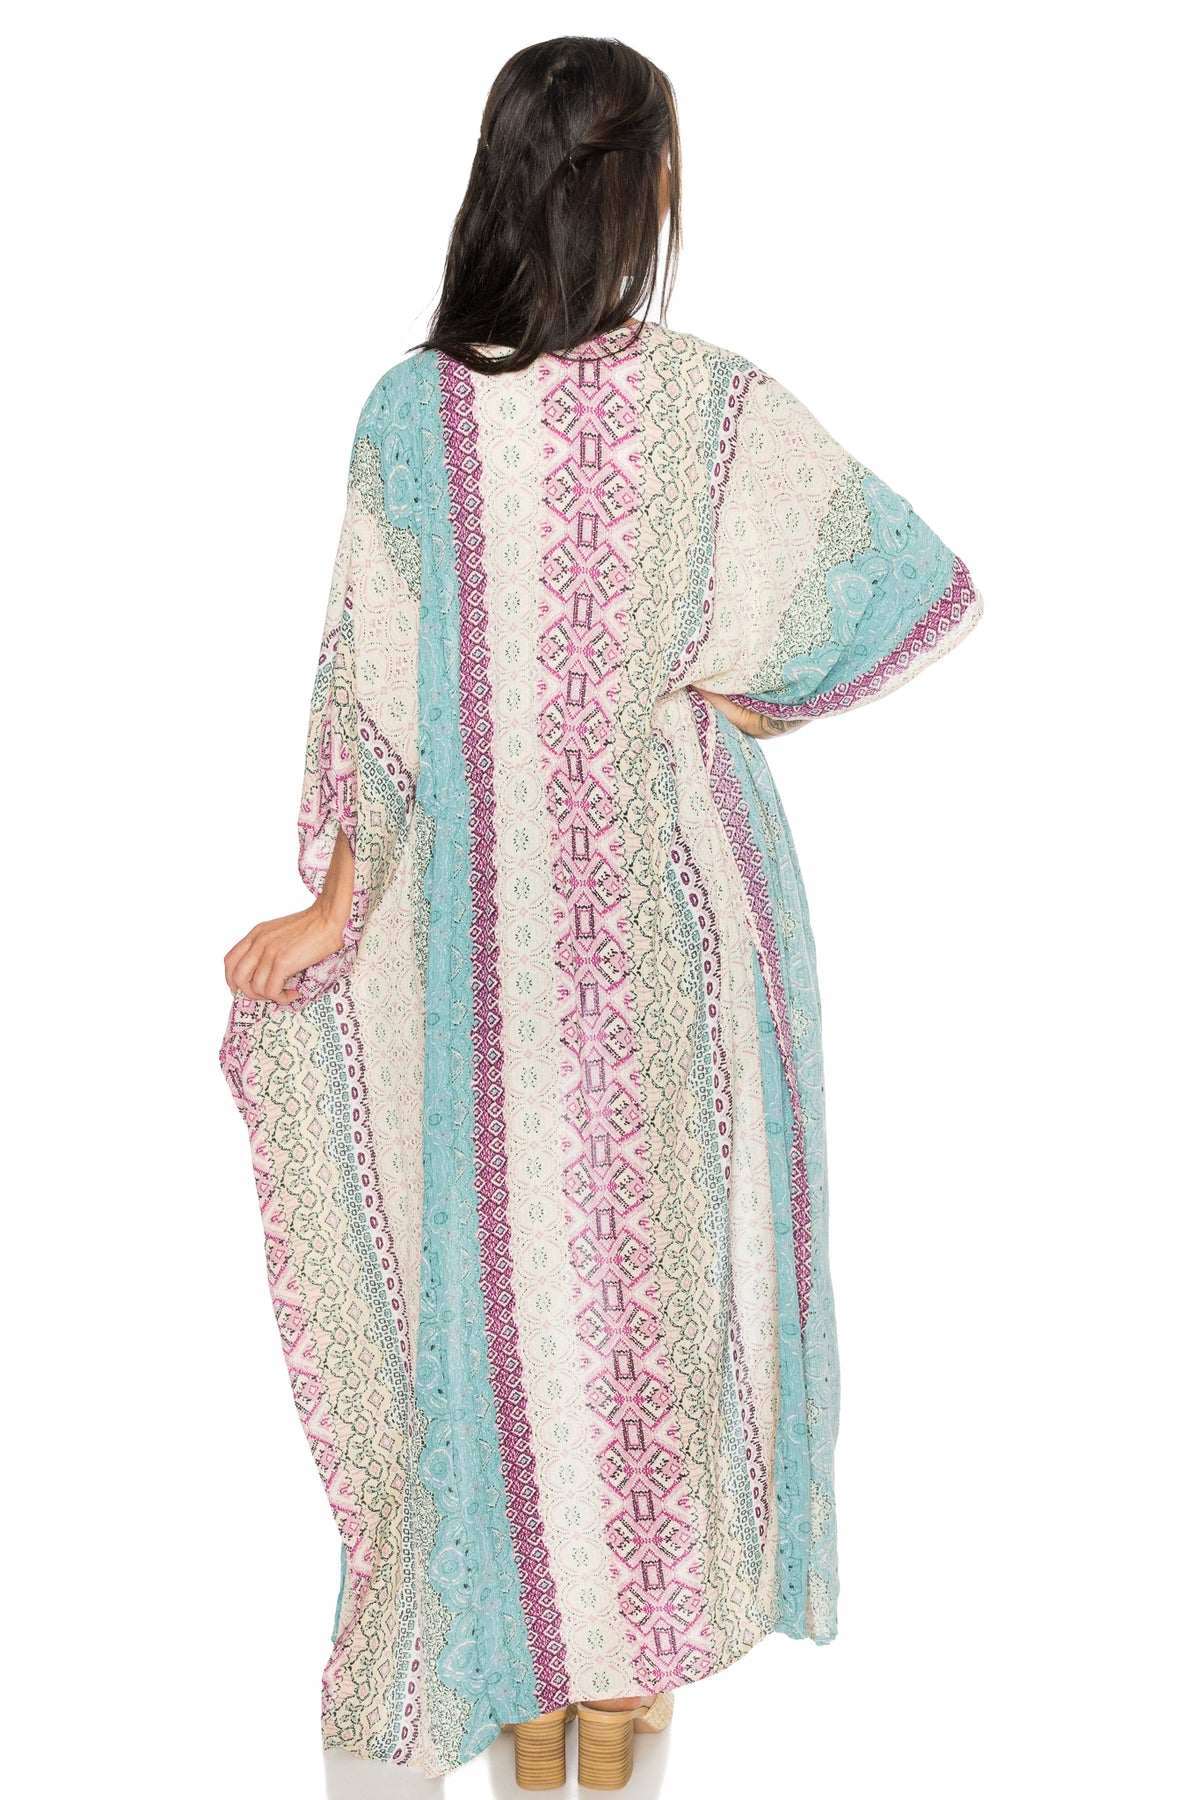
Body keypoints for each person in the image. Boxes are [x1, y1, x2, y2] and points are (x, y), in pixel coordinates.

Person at [220, 34, 982, 1792]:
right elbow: (901, 592)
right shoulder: (700, 409)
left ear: (497, 182)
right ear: (648, 191)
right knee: (632, 1307)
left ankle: (559, 1698)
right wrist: (726, 697)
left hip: (492, 940)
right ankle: (604, 1694)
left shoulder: (414, 413)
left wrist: (335, 900)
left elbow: (371, 703)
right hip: (674, 926)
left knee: (542, 1306)